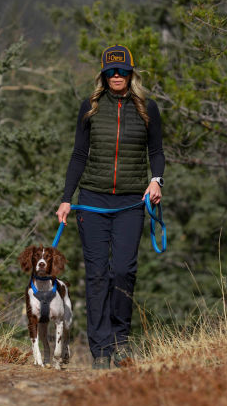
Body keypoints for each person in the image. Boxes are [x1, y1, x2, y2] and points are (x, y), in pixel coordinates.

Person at [56, 45, 165, 370]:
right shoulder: (89, 108)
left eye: (122, 70)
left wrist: (156, 180)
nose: (116, 75)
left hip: (132, 201)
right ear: (103, 75)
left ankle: (120, 342)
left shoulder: (148, 109)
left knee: (123, 271)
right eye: (111, 71)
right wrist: (66, 197)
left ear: (131, 73)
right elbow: (78, 155)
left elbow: (156, 151)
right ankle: (101, 351)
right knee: (98, 275)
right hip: (92, 201)